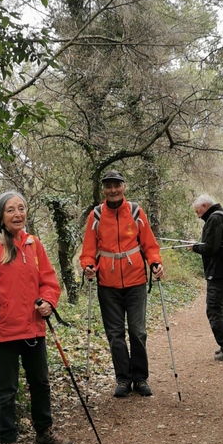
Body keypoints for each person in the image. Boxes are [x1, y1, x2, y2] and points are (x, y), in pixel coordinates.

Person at [0, 191, 74, 444]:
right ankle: (7, 441)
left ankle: (44, 432)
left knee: (41, 383)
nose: (17, 214)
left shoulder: (34, 244)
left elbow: (49, 281)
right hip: (2, 329)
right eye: (11, 210)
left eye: (21, 209)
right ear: (1, 215)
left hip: (33, 326)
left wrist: (48, 302)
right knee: (7, 389)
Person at [79, 169, 164, 397]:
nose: (113, 190)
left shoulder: (136, 212)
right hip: (107, 283)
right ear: (104, 189)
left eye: (117, 185)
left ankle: (141, 378)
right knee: (115, 334)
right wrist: (87, 265)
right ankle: (123, 379)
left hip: (136, 280)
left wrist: (155, 262)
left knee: (137, 332)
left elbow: (149, 245)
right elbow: (88, 250)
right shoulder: (95, 216)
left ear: (124, 186)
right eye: (108, 186)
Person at [189, 194, 223, 361]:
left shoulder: (215, 219)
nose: (198, 216)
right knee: (219, 308)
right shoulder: (222, 216)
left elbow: (211, 248)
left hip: (218, 272)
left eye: (198, 212)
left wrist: (194, 247)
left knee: (213, 309)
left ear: (204, 206)